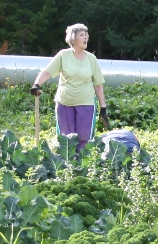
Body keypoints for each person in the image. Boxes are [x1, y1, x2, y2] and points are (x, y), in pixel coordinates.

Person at [30, 23, 109, 152]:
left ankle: (83, 165)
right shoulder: (63, 55)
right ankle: (67, 166)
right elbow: (47, 72)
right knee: (66, 138)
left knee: (85, 137)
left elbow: (98, 85)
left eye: (86, 35)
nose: (86, 38)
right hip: (64, 103)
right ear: (73, 38)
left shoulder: (91, 59)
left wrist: (103, 107)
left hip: (86, 104)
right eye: (82, 35)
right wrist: (36, 84)